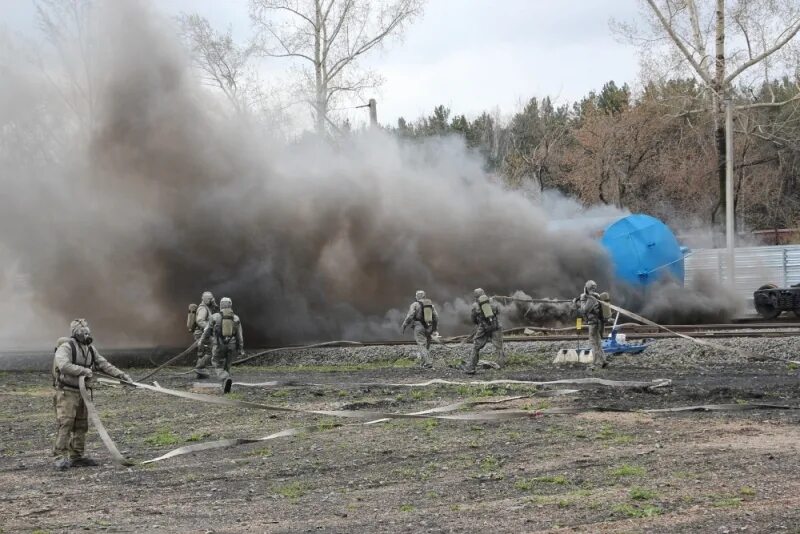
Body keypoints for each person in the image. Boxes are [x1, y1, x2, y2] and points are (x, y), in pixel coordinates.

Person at [52, 319, 132, 470]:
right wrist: (84, 371)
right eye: (83, 332)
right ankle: (59, 456)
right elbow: (63, 365)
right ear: (76, 333)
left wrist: (122, 376)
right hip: (67, 391)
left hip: (83, 392)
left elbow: (103, 364)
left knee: (81, 424)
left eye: (87, 331)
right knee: (66, 423)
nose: (86, 334)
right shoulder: (66, 347)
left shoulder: (90, 349)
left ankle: (77, 456)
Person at [199, 297, 244, 386]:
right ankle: (226, 382)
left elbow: (207, 331)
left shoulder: (215, 316)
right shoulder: (236, 318)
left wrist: (201, 341)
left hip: (219, 345)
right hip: (232, 345)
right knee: (227, 365)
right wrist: (240, 348)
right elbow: (239, 336)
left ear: (220, 305)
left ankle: (225, 378)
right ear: (230, 305)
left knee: (216, 363)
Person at [466, 288, 506, 374]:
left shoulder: (475, 305)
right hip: (496, 325)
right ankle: (502, 366)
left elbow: (473, 318)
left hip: (483, 327)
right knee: (499, 346)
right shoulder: (492, 302)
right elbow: (499, 311)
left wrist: (479, 322)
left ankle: (471, 367)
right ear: (484, 294)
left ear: (475, 297)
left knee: (476, 347)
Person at [573, 280, 609, 368]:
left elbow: (584, 310)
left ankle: (596, 362)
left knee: (593, 342)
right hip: (597, 322)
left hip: (593, 323)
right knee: (598, 342)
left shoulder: (591, 298)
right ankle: (603, 360)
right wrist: (579, 299)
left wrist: (581, 301)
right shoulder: (596, 296)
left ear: (587, 287)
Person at [400, 290, 440, 369]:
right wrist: (434, 328)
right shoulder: (430, 305)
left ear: (416, 297)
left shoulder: (414, 304)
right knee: (426, 346)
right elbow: (436, 317)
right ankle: (424, 363)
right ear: (424, 296)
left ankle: (428, 363)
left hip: (419, 326)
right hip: (429, 326)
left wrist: (404, 325)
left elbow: (410, 316)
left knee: (421, 345)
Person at [192, 291, 218, 378]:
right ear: (204, 299)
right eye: (209, 298)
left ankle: (200, 373)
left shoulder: (208, 307)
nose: (211, 300)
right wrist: (209, 328)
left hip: (204, 333)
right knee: (213, 347)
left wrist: (214, 305)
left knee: (205, 351)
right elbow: (200, 320)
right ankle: (199, 368)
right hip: (201, 333)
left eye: (211, 298)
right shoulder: (203, 308)